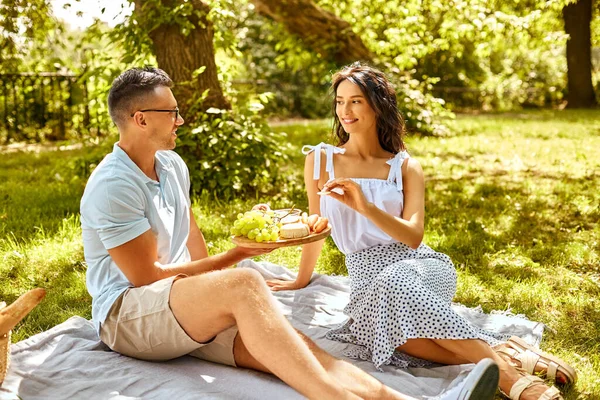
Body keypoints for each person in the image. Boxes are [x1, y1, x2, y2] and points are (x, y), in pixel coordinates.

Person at [79, 66, 499, 400]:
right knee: (245, 281)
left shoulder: (171, 164)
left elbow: (191, 233)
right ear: (139, 119)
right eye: (171, 112)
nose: (180, 119)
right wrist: (236, 258)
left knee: (294, 346)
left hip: (176, 307)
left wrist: (211, 286)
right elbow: (145, 280)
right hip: (128, 316)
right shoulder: (115, 184)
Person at [266, 62, 575, 400]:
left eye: (355, 101)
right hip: (365, 276)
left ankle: (506, 376)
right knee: (386, 338)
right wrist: (300, 277)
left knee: (394, 284)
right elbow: (317, 224)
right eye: (340, 101)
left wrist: (364, 206)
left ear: (377, 104)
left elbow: (413, 236)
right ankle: (502, 350)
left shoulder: (405, 167)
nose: (345, 110)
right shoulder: (321, 160)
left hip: (420, 268)